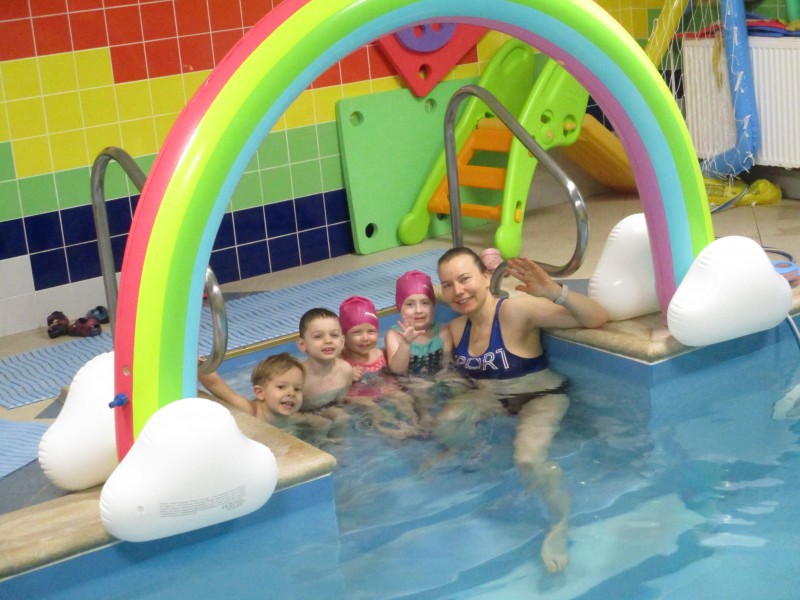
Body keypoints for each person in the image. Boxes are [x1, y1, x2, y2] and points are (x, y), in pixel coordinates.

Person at [435, 246, 609, 574]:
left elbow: (597, 317)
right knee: (445, 424)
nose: (458, 291)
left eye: (464, 279)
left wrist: (555, 292)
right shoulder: (456, 329)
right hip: (493, 399)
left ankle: (559, 523)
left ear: (486, 277)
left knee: (528, 460)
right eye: (447, 285)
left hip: (539, 396)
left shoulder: (515, 311)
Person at [339, 295, 422, 439]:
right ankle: (388, 430)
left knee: (403, 398)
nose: (365, 338)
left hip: (381, 389)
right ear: (343, 337)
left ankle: (415, 425)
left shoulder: (379, 353)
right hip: (358, 397)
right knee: (371, 407)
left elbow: (391, 372)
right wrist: (347, 374)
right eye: (357, 332)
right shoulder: (341, 360)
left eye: (371, 331)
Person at [200, 353, 333, 441]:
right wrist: (197, 364)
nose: (291, 393)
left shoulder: (293, 418)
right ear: (260, 393)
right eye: (281, 387)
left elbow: (323, 423)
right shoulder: (249, 411)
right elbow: (215, 384)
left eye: (297, 389)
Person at [296, 307, 353, 439]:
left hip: (328, 411)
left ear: (342, 342)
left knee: (342, 418)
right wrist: (311, 419)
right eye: (318, 336)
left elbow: (341, 403)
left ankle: (338, 447)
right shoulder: (298, 377)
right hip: (304, 421)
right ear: (303, 345)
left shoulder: (345, 370)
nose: (328, 340)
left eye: (334, 335)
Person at [385, 270, 453, 376]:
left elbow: (448, 367)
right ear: (399, 308)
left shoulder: (443, 332)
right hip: (407, 384)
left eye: (425, 303)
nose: (418, 310)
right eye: (410, 304)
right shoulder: (394, 335)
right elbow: (397, 371)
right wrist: (406, 343)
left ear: (433, 306)